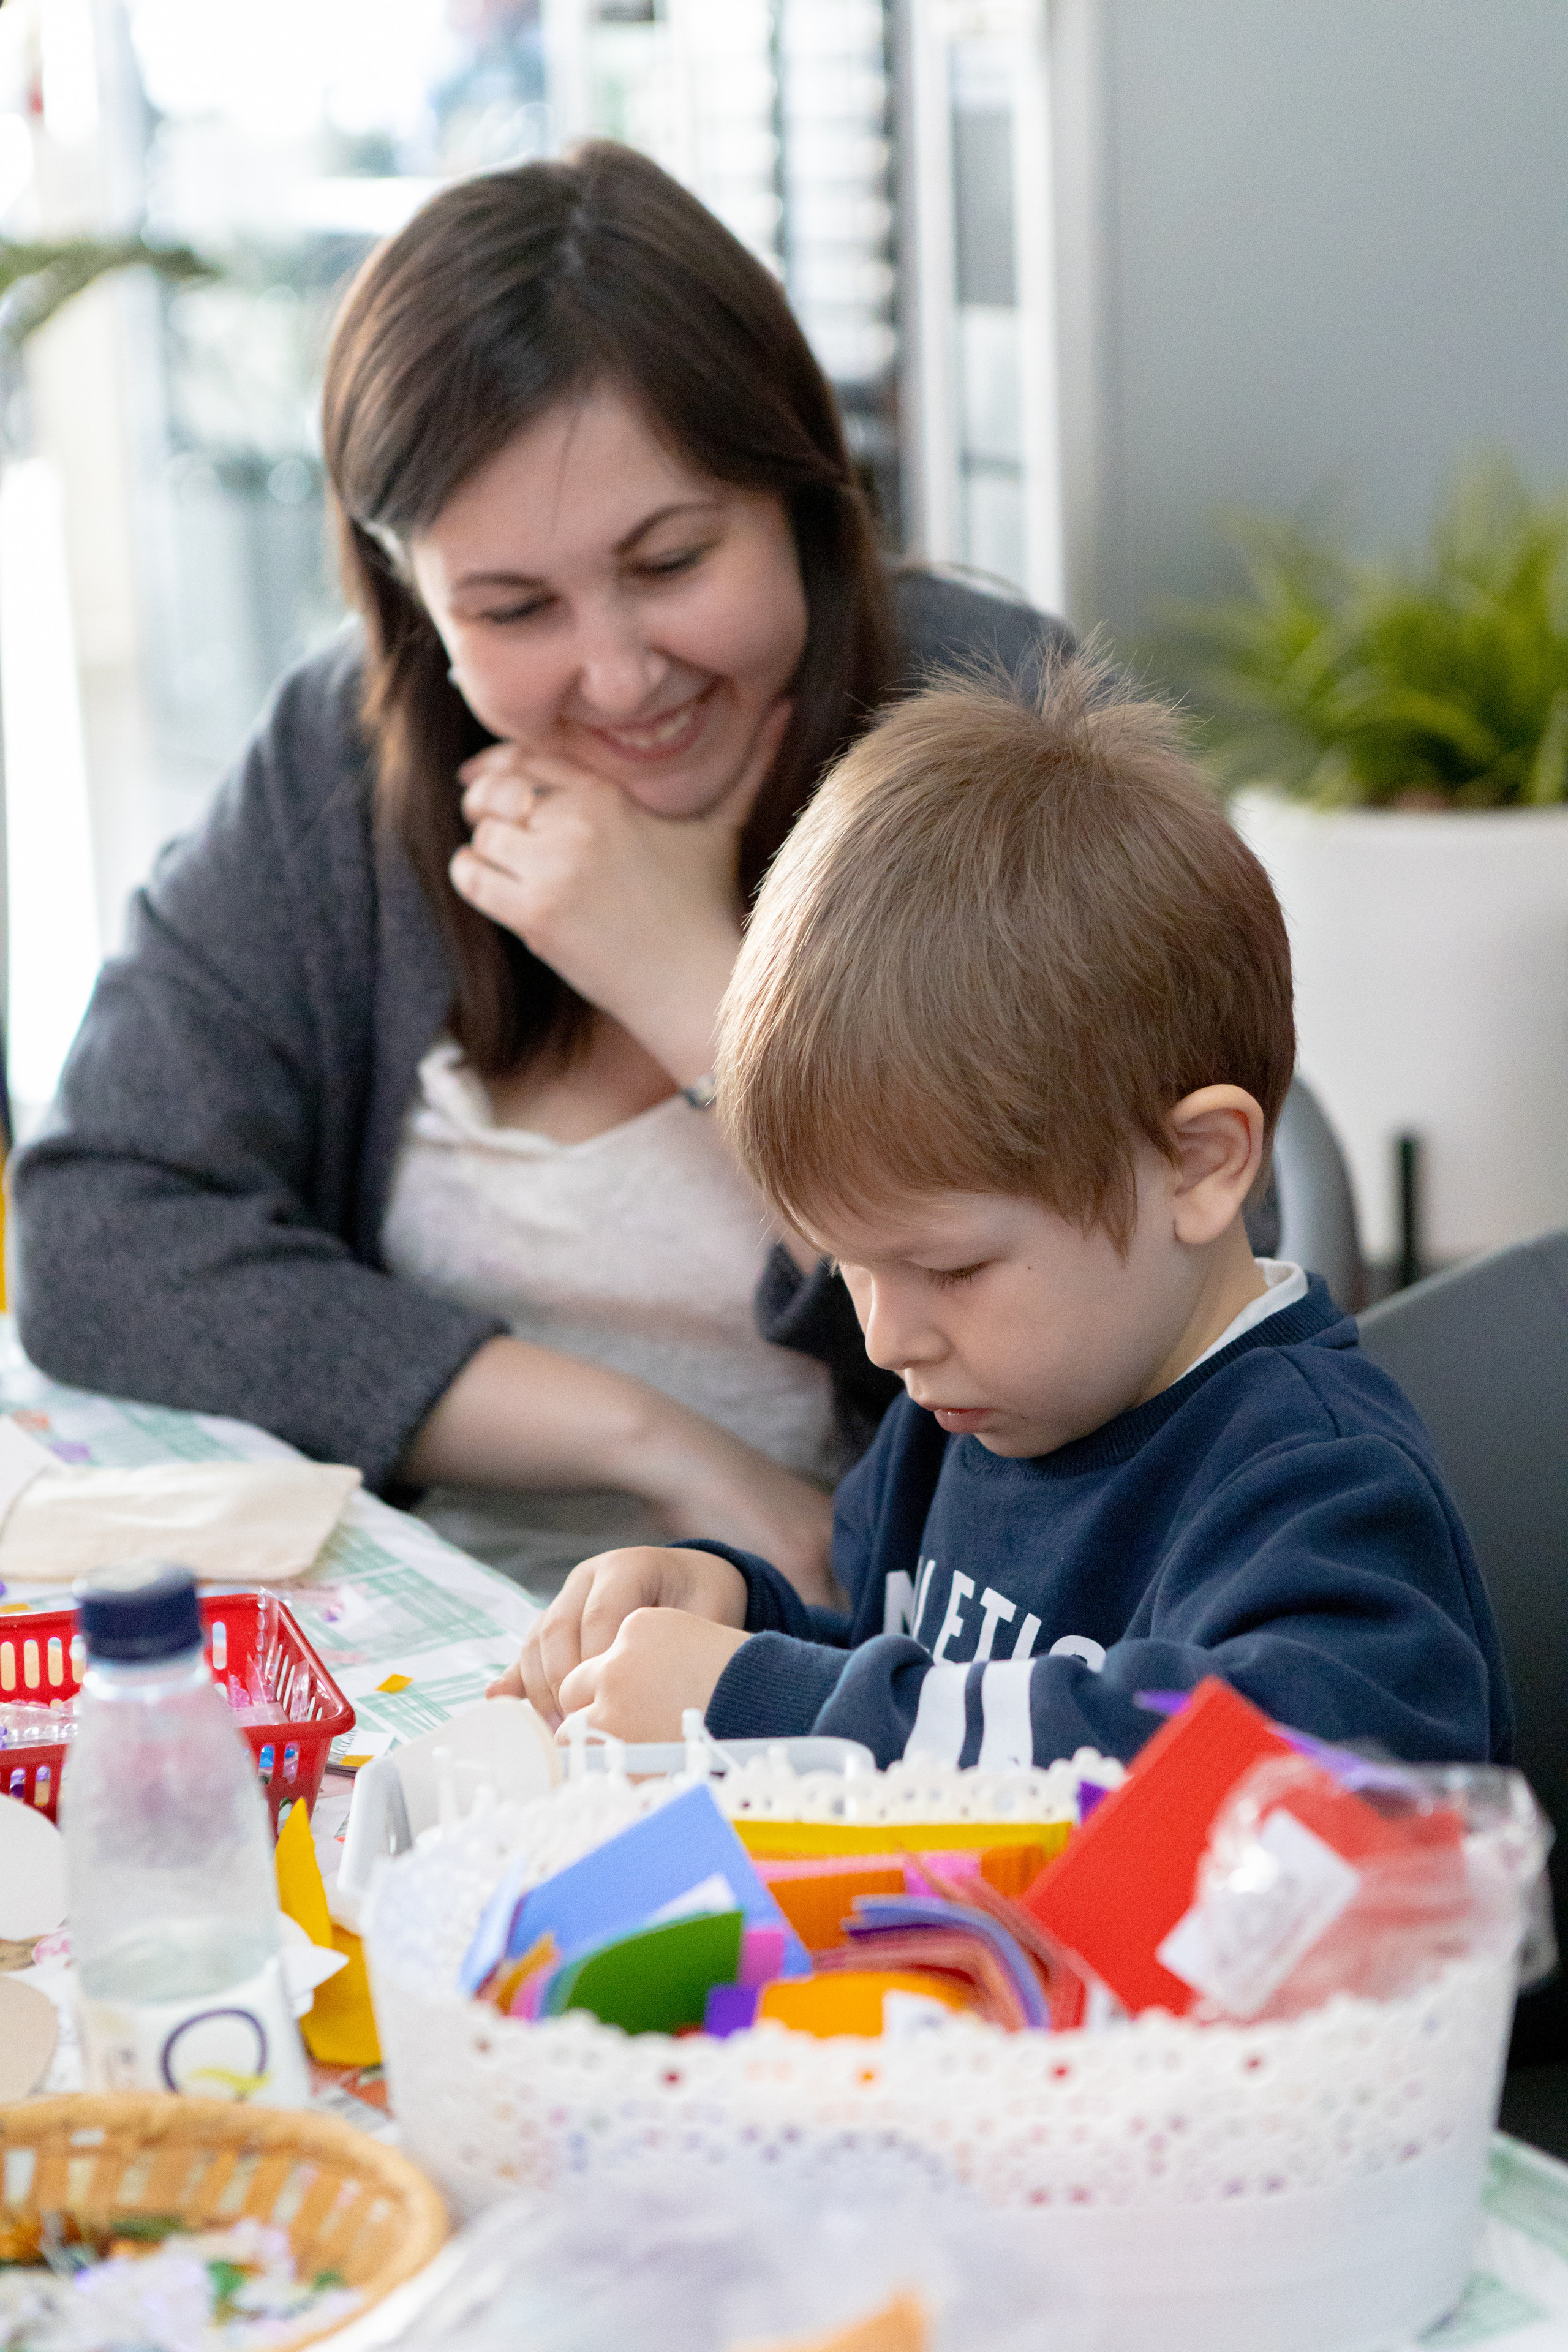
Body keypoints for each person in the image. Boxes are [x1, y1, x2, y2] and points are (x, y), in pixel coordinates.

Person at [10, 144, 1070, 1602]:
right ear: (413, 602)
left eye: (671, 562)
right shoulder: (349, 755)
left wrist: (700, 992)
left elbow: (1113, 1278)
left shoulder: (991, 723)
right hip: (444, 1631)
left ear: (801, 499)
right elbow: (100, 1228)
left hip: (879, 1661)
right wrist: (651, 1441)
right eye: (513, 608)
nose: (620, 675)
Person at [497, 657, 1511, 1770]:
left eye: (953, 1267)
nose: (888, 1339)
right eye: (849, 1267)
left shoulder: (1310, 1480)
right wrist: (740, 1617)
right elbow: (919, 1684)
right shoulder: (975, 1406)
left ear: (1197, 1166)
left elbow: (1295, 1778)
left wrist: (773, 1703)